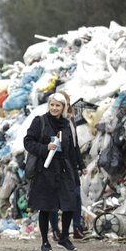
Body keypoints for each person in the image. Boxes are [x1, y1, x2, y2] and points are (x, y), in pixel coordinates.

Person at [24, 92, 79, 251]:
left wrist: (76, 169)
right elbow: (28, 142)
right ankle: (45, 242)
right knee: (46, 206)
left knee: (69, 204)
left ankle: (64, 238)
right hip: (45, 170)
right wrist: (45, 147)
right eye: (52, 105)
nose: (54, 108)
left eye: (58, 105)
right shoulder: (39, 121)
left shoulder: (67, 124)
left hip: (64, 169)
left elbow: (72, 149)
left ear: (63, 107)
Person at [47, 91, 87, 240]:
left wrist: (81, 165)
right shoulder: (50, 121)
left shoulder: (70, 121)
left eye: (64, 103)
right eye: (54, 104)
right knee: (53, 198)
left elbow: (75, 145)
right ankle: (55, 229)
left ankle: (77, 227)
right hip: (56, 165)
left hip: (71, 165)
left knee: (75, 195)